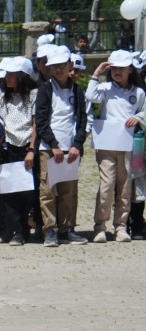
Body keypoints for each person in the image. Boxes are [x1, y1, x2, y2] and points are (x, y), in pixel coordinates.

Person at [86, 51, 144, 243]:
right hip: (106, 145)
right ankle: (100, 226)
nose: (117, 71)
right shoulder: (104, 88)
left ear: (130, 69)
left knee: (125, 186)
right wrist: (96, 74)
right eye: (114, 68)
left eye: (121, 68)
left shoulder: (138, 92)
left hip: (127, 145)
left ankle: (120, 226)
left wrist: (138, 118)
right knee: (107, 185)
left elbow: (144, 111)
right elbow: (90, 95)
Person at [35, 46, 88, 246]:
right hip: (48, 149)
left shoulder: (78, 90)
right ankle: (50, 229)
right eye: (54, 66)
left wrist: (77, 144)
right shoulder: (45, 89)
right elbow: (41, 120)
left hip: (71, 148)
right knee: (47, 190)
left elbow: (82, 120)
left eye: (61, 66)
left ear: (70, 65)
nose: (58, 70)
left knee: (68, 190)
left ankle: (67, 228)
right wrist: (53, 144)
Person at [0, 59, 39, 246]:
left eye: (11, 75)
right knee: (10, 193)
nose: (7, 78)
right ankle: (16, 231)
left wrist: (31, 150)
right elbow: (1, 125)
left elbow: (35, 124)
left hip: (26, 147)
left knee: (28, 192)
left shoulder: (34, 95)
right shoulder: (4, 97)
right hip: (9, 147)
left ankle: (28, 228)